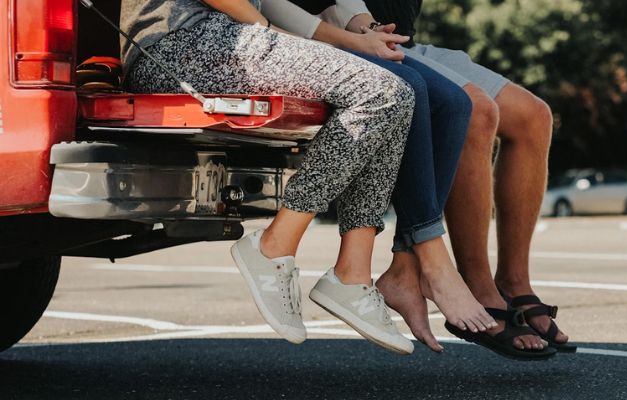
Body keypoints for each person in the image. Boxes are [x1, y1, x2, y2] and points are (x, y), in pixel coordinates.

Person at [120, 0, 484, 355]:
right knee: (381, 92)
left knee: (397, 93)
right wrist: (269, 31)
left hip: (225, 34)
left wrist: (356, 31)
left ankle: (352, 275)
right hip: (179, 41)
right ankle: (274, 246)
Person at [304, 0, 572, 355]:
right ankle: (476, 284)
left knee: (533, 117)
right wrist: (362, 31)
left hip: (401, 40)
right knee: (475, 109)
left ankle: (513, 281)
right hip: (344, 38)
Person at [261, 0, 519, 354]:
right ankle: (430, 260)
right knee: (402, 88)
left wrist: (366, 29)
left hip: (329, 30)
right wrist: (350, 39)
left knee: (455, 104)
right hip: (280, 31)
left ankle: (403, 268)